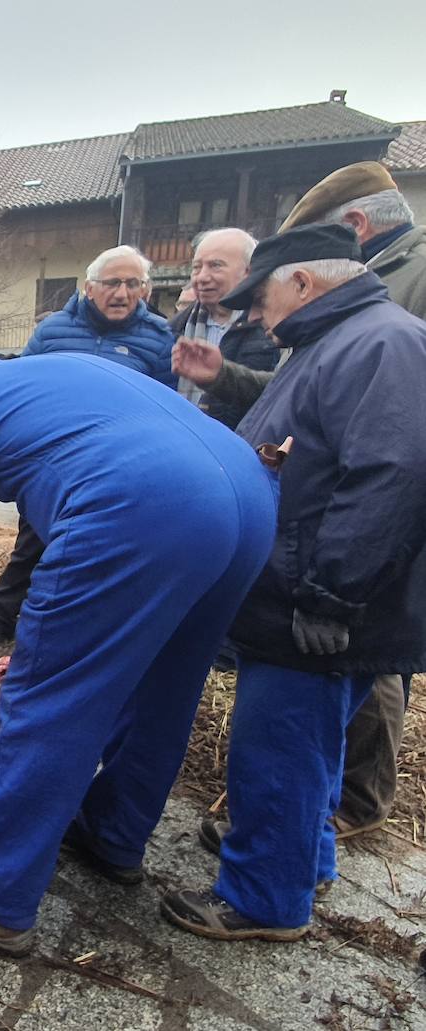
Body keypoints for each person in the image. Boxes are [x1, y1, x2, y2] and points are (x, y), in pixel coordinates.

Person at [0, 356, 276, 957]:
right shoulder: (54, 377)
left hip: (143, 499)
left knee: (54, 701)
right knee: (166, 690)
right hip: (251, 497)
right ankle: (113, 837)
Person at [161, 225, 426, 942]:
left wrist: (331, 593)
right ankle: (300, 858)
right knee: (309, 744)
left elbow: (391, 475)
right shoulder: (342, 340)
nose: (253, 313)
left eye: (262, 296)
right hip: (305, 592)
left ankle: (263, 899)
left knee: (276, 747)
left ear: (304, 283)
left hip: (315, 602)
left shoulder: (380, 345)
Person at [0, 245, 176, 658]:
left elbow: (166, 403)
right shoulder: (54, 330)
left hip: (119, 467)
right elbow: (22, 385)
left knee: (105, 551)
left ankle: (79, 635)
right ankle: (0, 620)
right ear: (89, 287)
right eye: (112, 282)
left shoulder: (158, 338)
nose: (122, 292)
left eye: (133, 283)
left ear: (146, 291)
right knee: (32, 543)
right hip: (53, 461)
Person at [170, 228, 279, 425]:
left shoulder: (270, 328)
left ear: (248, 271)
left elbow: (276, 394)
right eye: (196, 267)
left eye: (215, 266)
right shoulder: (174, 328)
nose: (202, 277)